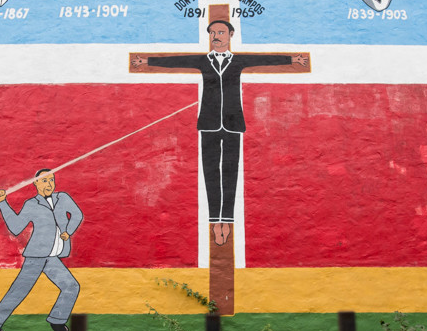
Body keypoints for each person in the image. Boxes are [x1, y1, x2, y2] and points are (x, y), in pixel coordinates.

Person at [131, 21, 307, 246]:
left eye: (221, 32)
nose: (216, 36)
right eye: (213, 32)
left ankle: (228, 220)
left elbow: (263, 59)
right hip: (208, 124)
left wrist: (293, 60)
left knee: (230, 173)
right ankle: (215, 221)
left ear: (231, 34)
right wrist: (145, 61)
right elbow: (175, 61)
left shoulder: (239, 61)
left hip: (234, 124)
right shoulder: (203, 61)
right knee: (211, 173)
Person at [0, 170, 83, 331]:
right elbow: (16, 227)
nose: (49, 184)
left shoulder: (63, 198)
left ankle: (57, 319)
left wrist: (68, 231)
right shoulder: (32, 204)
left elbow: (77, 214)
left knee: (71, 286)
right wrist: (2, 203)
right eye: (44, 181)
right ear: (35, 184)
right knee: (20, 289)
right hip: (36, 256)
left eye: (51, 180)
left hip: (53, 256)